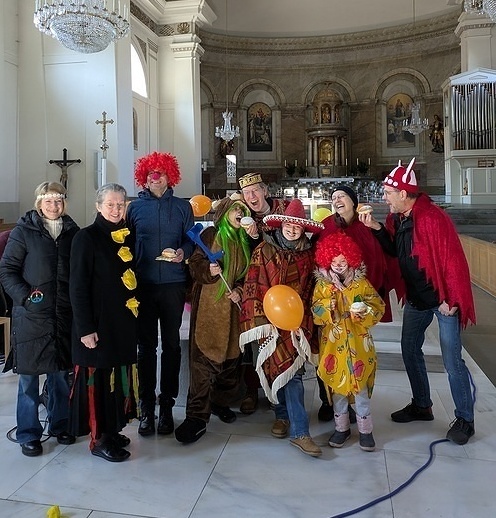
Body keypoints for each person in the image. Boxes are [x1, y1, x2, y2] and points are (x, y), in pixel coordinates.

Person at [361, 158, 477, 445]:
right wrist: (375, 227)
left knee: (452, 361)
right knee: (410, 349)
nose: (384, 198)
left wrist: (451, 299)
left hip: (442, 301)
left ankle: (465, 419)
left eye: (388, 193)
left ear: (403, 193)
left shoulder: (433, 219)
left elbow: (453, 262)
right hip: (416, 298)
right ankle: (422, 405)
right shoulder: (397, 219)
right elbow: (395, 251)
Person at [240, 199, 324, 457]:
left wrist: (304, 319)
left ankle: (300, 433)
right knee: (272, 369)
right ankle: (282, 416)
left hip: (296, 322)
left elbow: (310, 289)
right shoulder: (264, 250)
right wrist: (263, 321)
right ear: (281, 225)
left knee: (294, 373)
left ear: (303, 229)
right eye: (288, 225)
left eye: (297, 226)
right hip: (268, 321)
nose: (292, 229)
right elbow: (253, 284)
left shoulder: (309, 255)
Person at [0, 182, 79, 457]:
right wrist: (26, 297)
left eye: (58, 201)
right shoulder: (23, 232)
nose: (54, 206)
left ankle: (60, 424)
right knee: (29, 381)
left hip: (62, 315)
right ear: (39, 203)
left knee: (60, 376)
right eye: (48, 201)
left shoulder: (73, 232)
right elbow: (7, 270)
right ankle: (29, 433)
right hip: (32, 317)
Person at [126, 152, 194, 437]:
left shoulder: (182, 207)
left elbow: (191, 240)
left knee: (172, 346)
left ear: (170, 176)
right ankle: (146, 408)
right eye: (151, 173)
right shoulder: (133, 208)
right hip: (143, 285)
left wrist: (183, 252)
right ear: (144, 177)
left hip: (173, 284)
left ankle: (166, 406)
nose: (156, 177)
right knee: (145, 347)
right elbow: (126, 244)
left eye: (161, 173)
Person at [69, 183, 139, 462]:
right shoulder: (86, 237)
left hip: (121, 325)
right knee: (99, 382)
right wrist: (86, 329)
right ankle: (99, 439)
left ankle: (112, 429)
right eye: (110, 204)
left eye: (120, 204)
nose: (116, 209)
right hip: (97, 326)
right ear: (98, 206)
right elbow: (77, 287)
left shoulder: (127, 236)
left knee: (117, 380)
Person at [175, 194, 252, 443]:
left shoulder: (244, 240)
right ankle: (196, 417)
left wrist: (239, 289)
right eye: (236, 209)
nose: (240, 213)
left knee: (231, 362)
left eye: (243, 210)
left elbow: (248, 274)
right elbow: (194, 265)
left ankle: (220, 402)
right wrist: (207, 270)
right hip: (210, 309)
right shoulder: (210, 235)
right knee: (202, 365)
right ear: (225, 213)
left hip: (233, 312)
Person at [312, 231, 385, 451]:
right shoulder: (323, 286)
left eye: (343, 261)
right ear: (327, 260)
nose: (338, 265)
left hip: (359, 344)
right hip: (334, 346)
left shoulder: (361, 284)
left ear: (351, 260)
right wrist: (327, 307)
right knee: (338, 389)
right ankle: (341, 428)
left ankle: (365, 431)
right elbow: (315, 310)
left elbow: (378, 306)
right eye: (334, 261)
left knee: (360, 389)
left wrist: (364, 311)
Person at [237, 172, 289, 415]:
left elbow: (290, 240)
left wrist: (259, 236)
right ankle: (251, 390)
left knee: (279, 340)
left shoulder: (283, 210)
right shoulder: (242, 216)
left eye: (255, 191)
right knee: (252, 338)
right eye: (246, 193)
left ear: (265, 191)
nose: (251, 196)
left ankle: (277, 392)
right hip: (252, 288)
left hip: (280, 285)